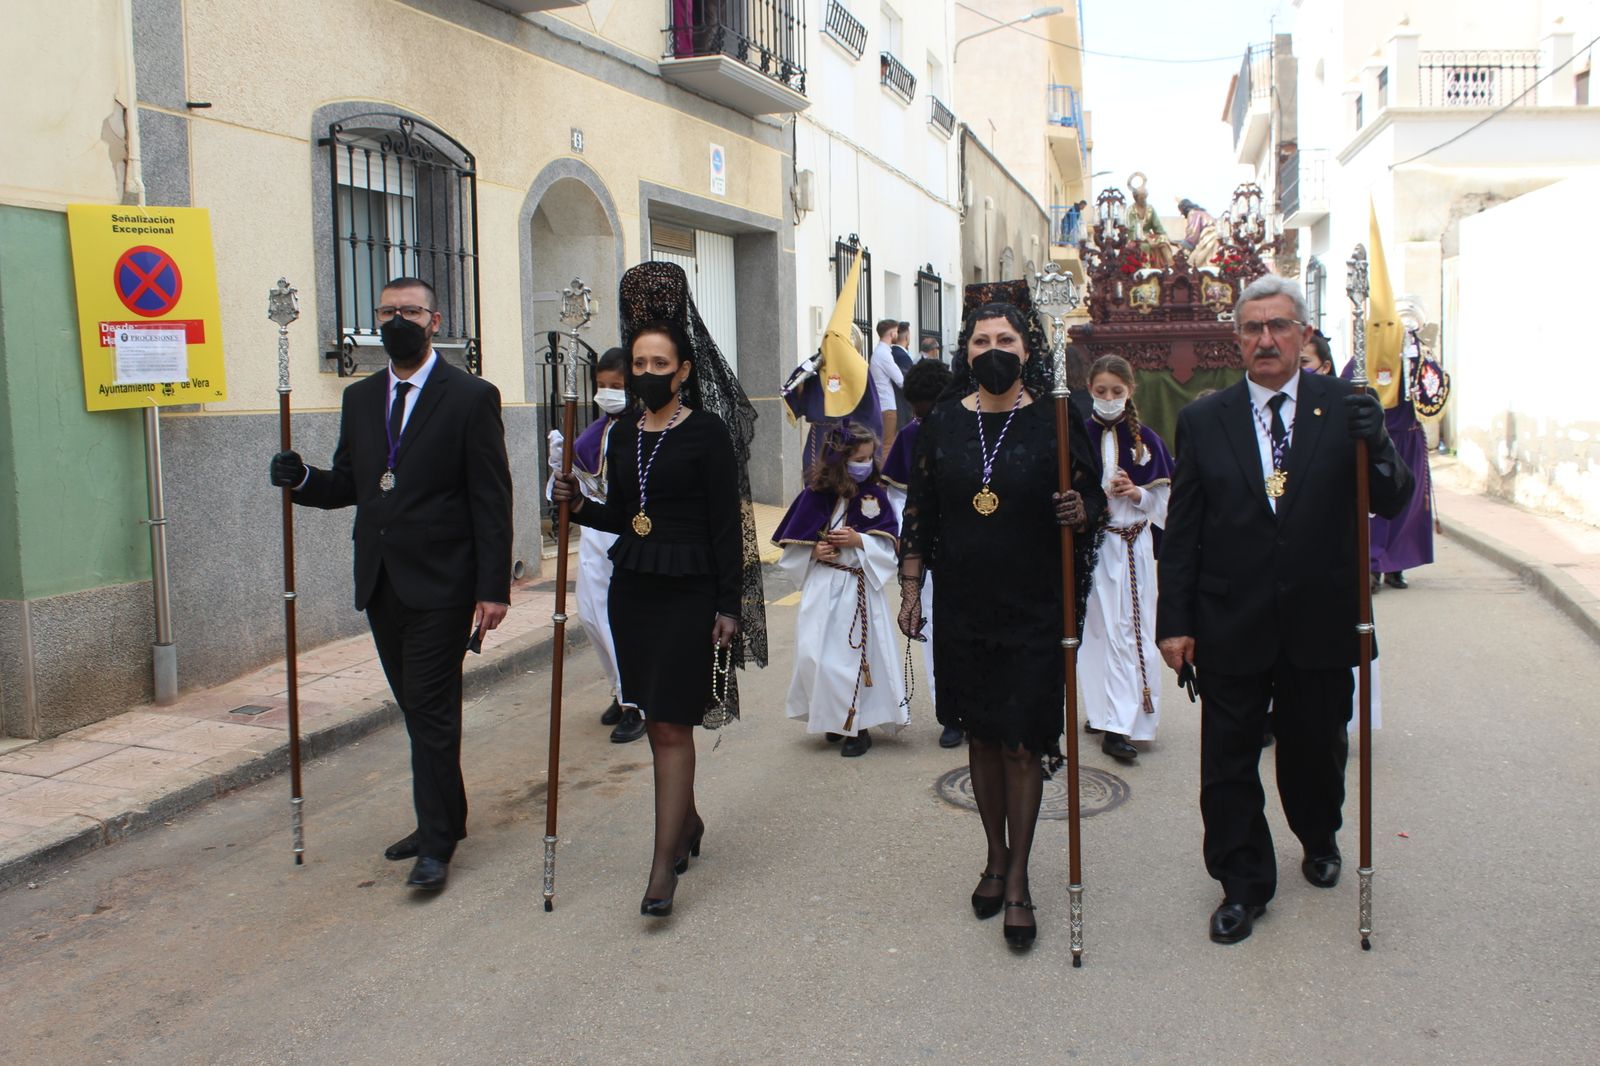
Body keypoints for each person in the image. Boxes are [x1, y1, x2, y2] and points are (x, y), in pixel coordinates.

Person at [1156, 274, 1413, 945]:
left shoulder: (1346, 405)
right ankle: (1242, 881)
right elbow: (1182, 531)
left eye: (1278, 326)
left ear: (1302, 335)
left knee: (1313, 751)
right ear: (1236, 340)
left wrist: (1378, 441)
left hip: (1321, 616)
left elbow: (1391, 499)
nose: (1265, 339)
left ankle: (1319, 831)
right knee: (1227, 761)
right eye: (1252, 328)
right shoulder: (1204, 420)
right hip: (1229, 619)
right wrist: (1175, 621)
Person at [268, 276, 512, 894]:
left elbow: (491, 497)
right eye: (386, 311)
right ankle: (445, 817)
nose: (397, 320)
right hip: (380, 580)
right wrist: (301, 480)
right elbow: (350, 484)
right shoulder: (361, 398)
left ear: (435, 320)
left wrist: (494, 587)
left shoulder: (470, 396)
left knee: (430, 709)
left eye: (410, 311)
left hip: (444, 583)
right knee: (417, 709)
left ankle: (435, 843)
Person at [552, 261, 767, 919]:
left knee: (672, 727)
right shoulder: (620, 437)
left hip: (690, 595)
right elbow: (620, 516)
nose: (644, 373)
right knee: (655, 721)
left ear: (682, 371)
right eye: (637, 361)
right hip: (634, 594)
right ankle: (688, 822)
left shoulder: (706, 435)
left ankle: (659, 870)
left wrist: (729, 607)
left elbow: (726, 529)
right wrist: (575, 504)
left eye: (657, 362)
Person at [897, 280, 1105, 949]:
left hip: (1035, 605)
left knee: (1023, 742)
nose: (993, 350)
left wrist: (1081, 512)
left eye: (1006, 341)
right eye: (981, 341)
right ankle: (993, 852)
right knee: (982, 737)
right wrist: (909, 589)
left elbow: (1091, 499)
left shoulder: (1057, 415)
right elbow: (920, 511)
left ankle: (1017, 880)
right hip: (964, 605)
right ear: (966, 350)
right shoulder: (944, 422)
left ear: (1027, 349)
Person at [774, 422, 906, 756]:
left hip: (857, 588)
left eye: (868, 457)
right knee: (816, 657)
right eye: (858, 459)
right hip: (823, 588)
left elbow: (890, 548)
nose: (865, 464)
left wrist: (859, 539)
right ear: (838, 461)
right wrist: (813, 551)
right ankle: (835, 718)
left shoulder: (874, 495)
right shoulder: (813, 496)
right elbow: (793, 549)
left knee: (853, 660)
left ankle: (857, 728)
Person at [546, 348, 645, 743]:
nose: (607, 392)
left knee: (617, 620)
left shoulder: (641, 430)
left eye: (616, 386)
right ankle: (619, 692)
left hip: (623, 534)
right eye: (602, 386)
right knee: (591, 617)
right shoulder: (593, 430)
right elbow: (577, 486)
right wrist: (560, 466)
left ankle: (637, 702)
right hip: (593, 537)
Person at [1080, 354, 1174, 763]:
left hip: (1133, 548)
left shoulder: (1147, 441)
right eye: (1101, 391)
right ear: (1089, 391)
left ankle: (1124, 722)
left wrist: (1138, 494)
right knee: (1096, 634)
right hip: (1094, 550)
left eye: (1116, 391)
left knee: (1129, 630)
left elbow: (1168, 509)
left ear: (1130, 391)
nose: (1108, 398)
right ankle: (1103, 712)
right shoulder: (1078, 436)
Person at [882, 359, 955, 747]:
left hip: (970, 550)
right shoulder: (911, 436)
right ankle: (951, 714)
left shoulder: (966, 430)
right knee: (936, 631)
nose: (917, 417)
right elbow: (896, 495)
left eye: (924, 409)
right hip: (928, 551)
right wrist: (912, 536)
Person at [870, 318, 906, 461]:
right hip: (887, 406)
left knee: (884, 445)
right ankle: (882, 480)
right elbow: (900, 380)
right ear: (891, 334)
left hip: (883, 404)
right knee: (887, 446)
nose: (897, 334)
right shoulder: (884, 354)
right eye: (896, 331)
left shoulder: (880, 352)